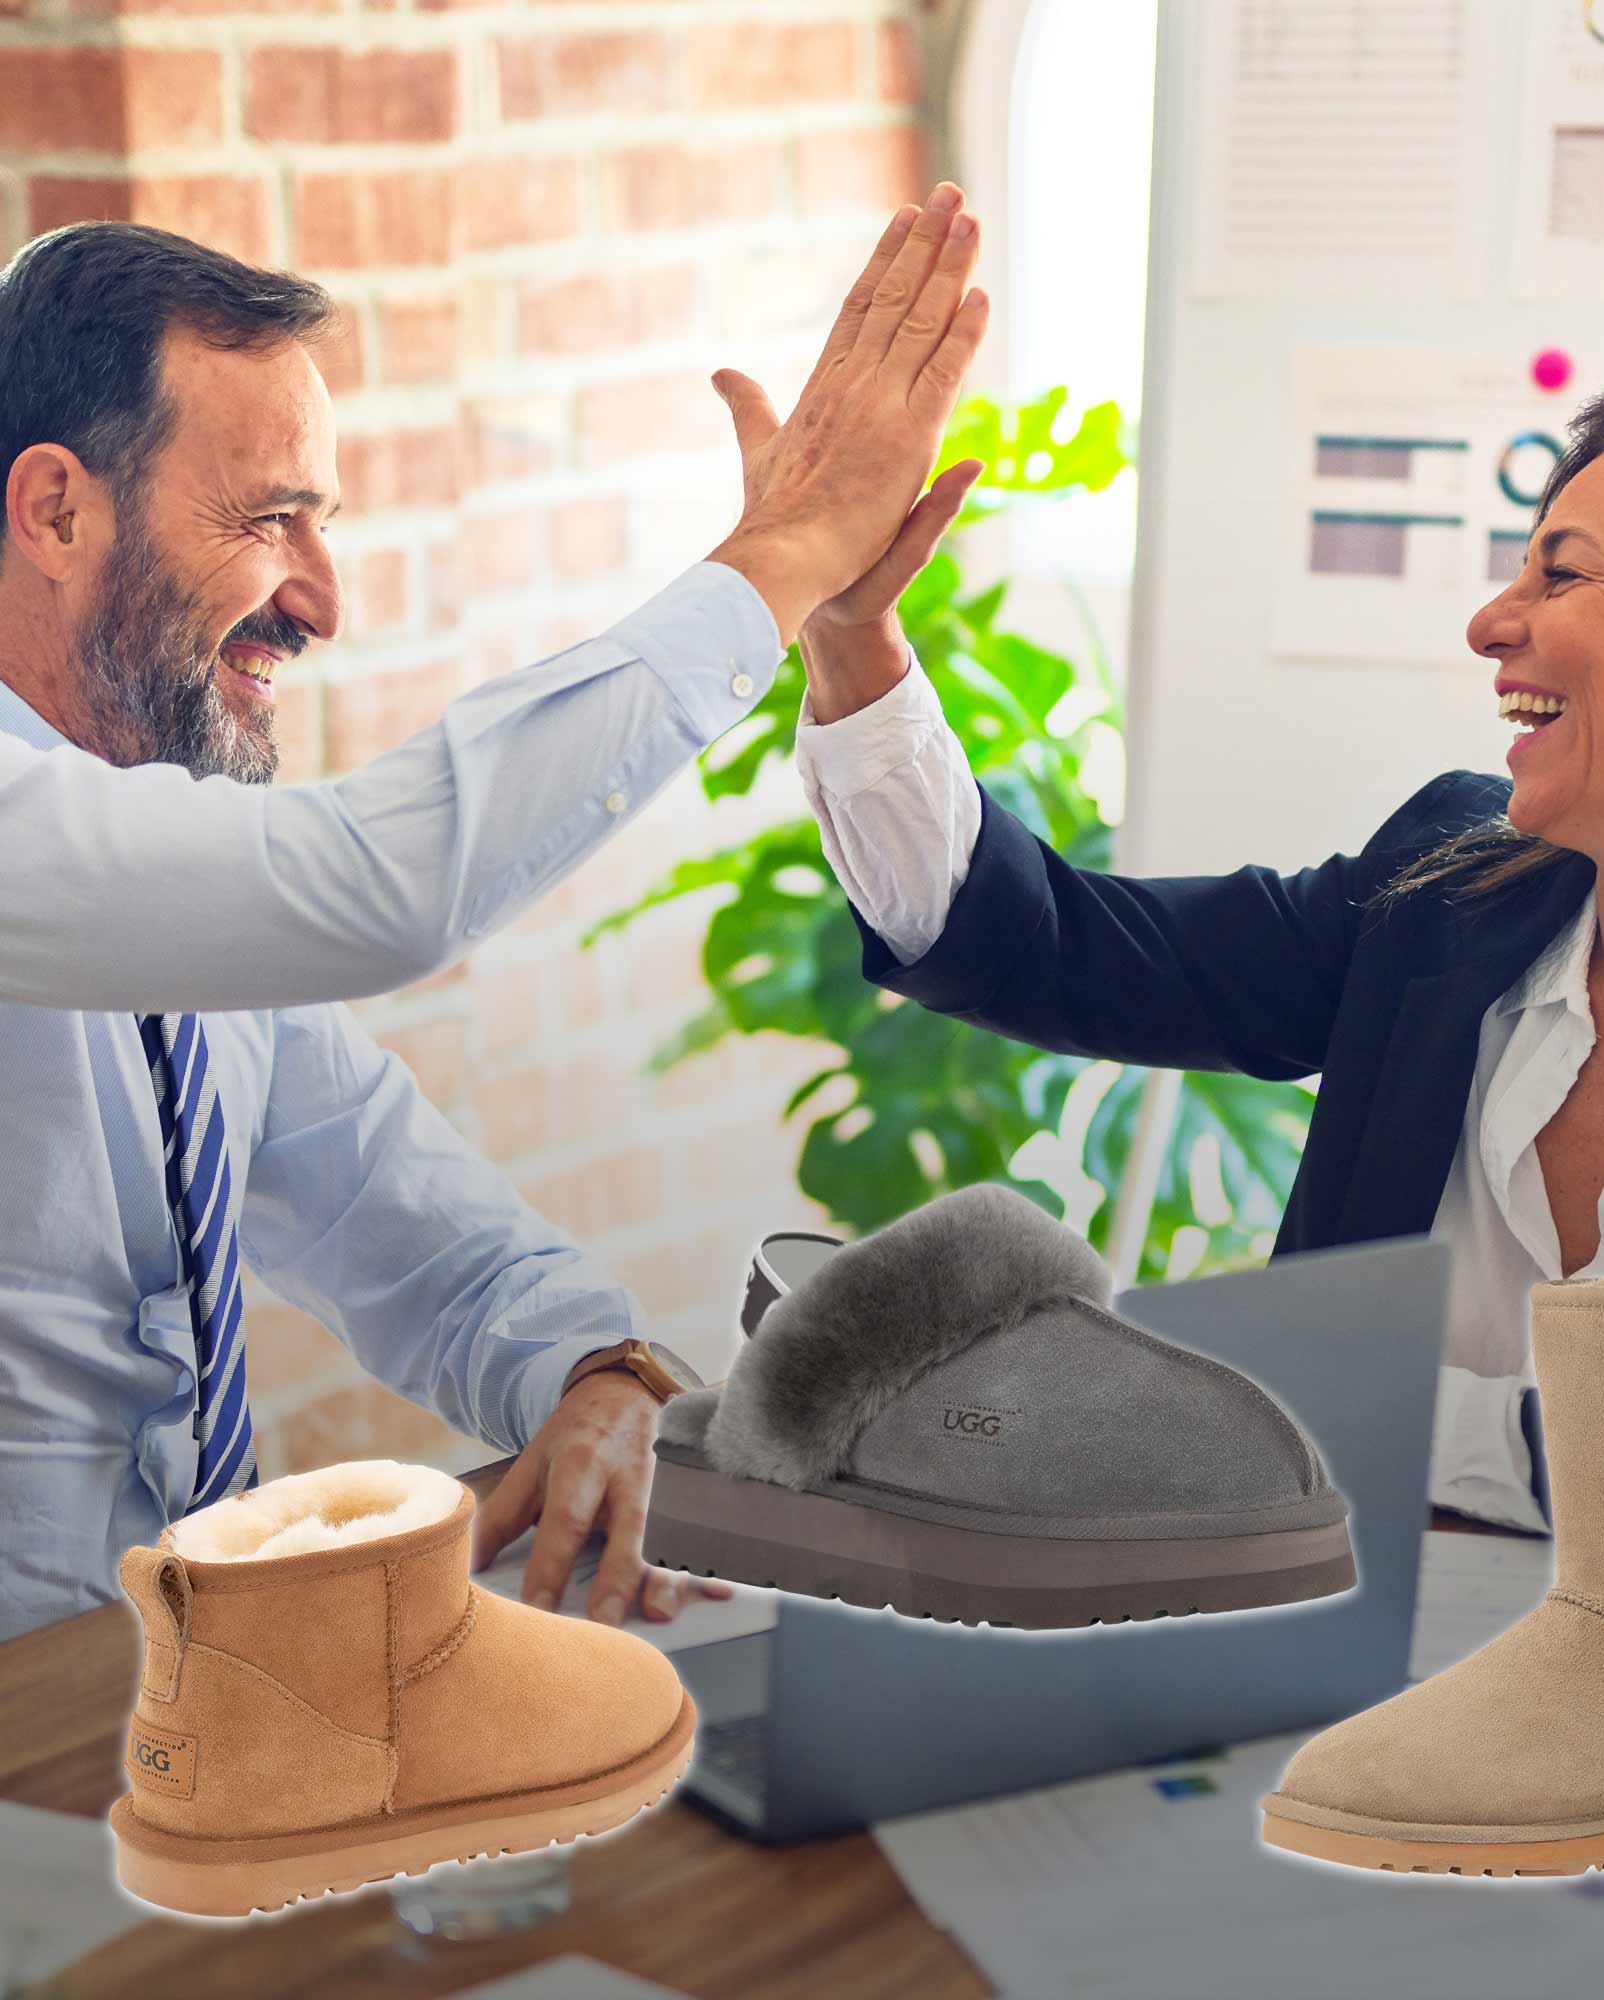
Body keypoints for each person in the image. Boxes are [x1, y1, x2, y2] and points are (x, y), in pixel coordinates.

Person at [787, 369, 1604, 1580]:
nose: (1490, 621)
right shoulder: (1445, 894)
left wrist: (1337, 1418)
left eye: (1560, 572)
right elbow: (1053, 944)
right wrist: (851, 637)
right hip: (1346, 1654)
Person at [0, 189, 989, 1641]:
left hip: (155, 1700)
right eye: (273, 522)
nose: (324, 602)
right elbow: (382, 887)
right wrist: (781, 560)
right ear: (55, 509)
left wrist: (601, 1375)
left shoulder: (169, 881)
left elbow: (406, 1226)